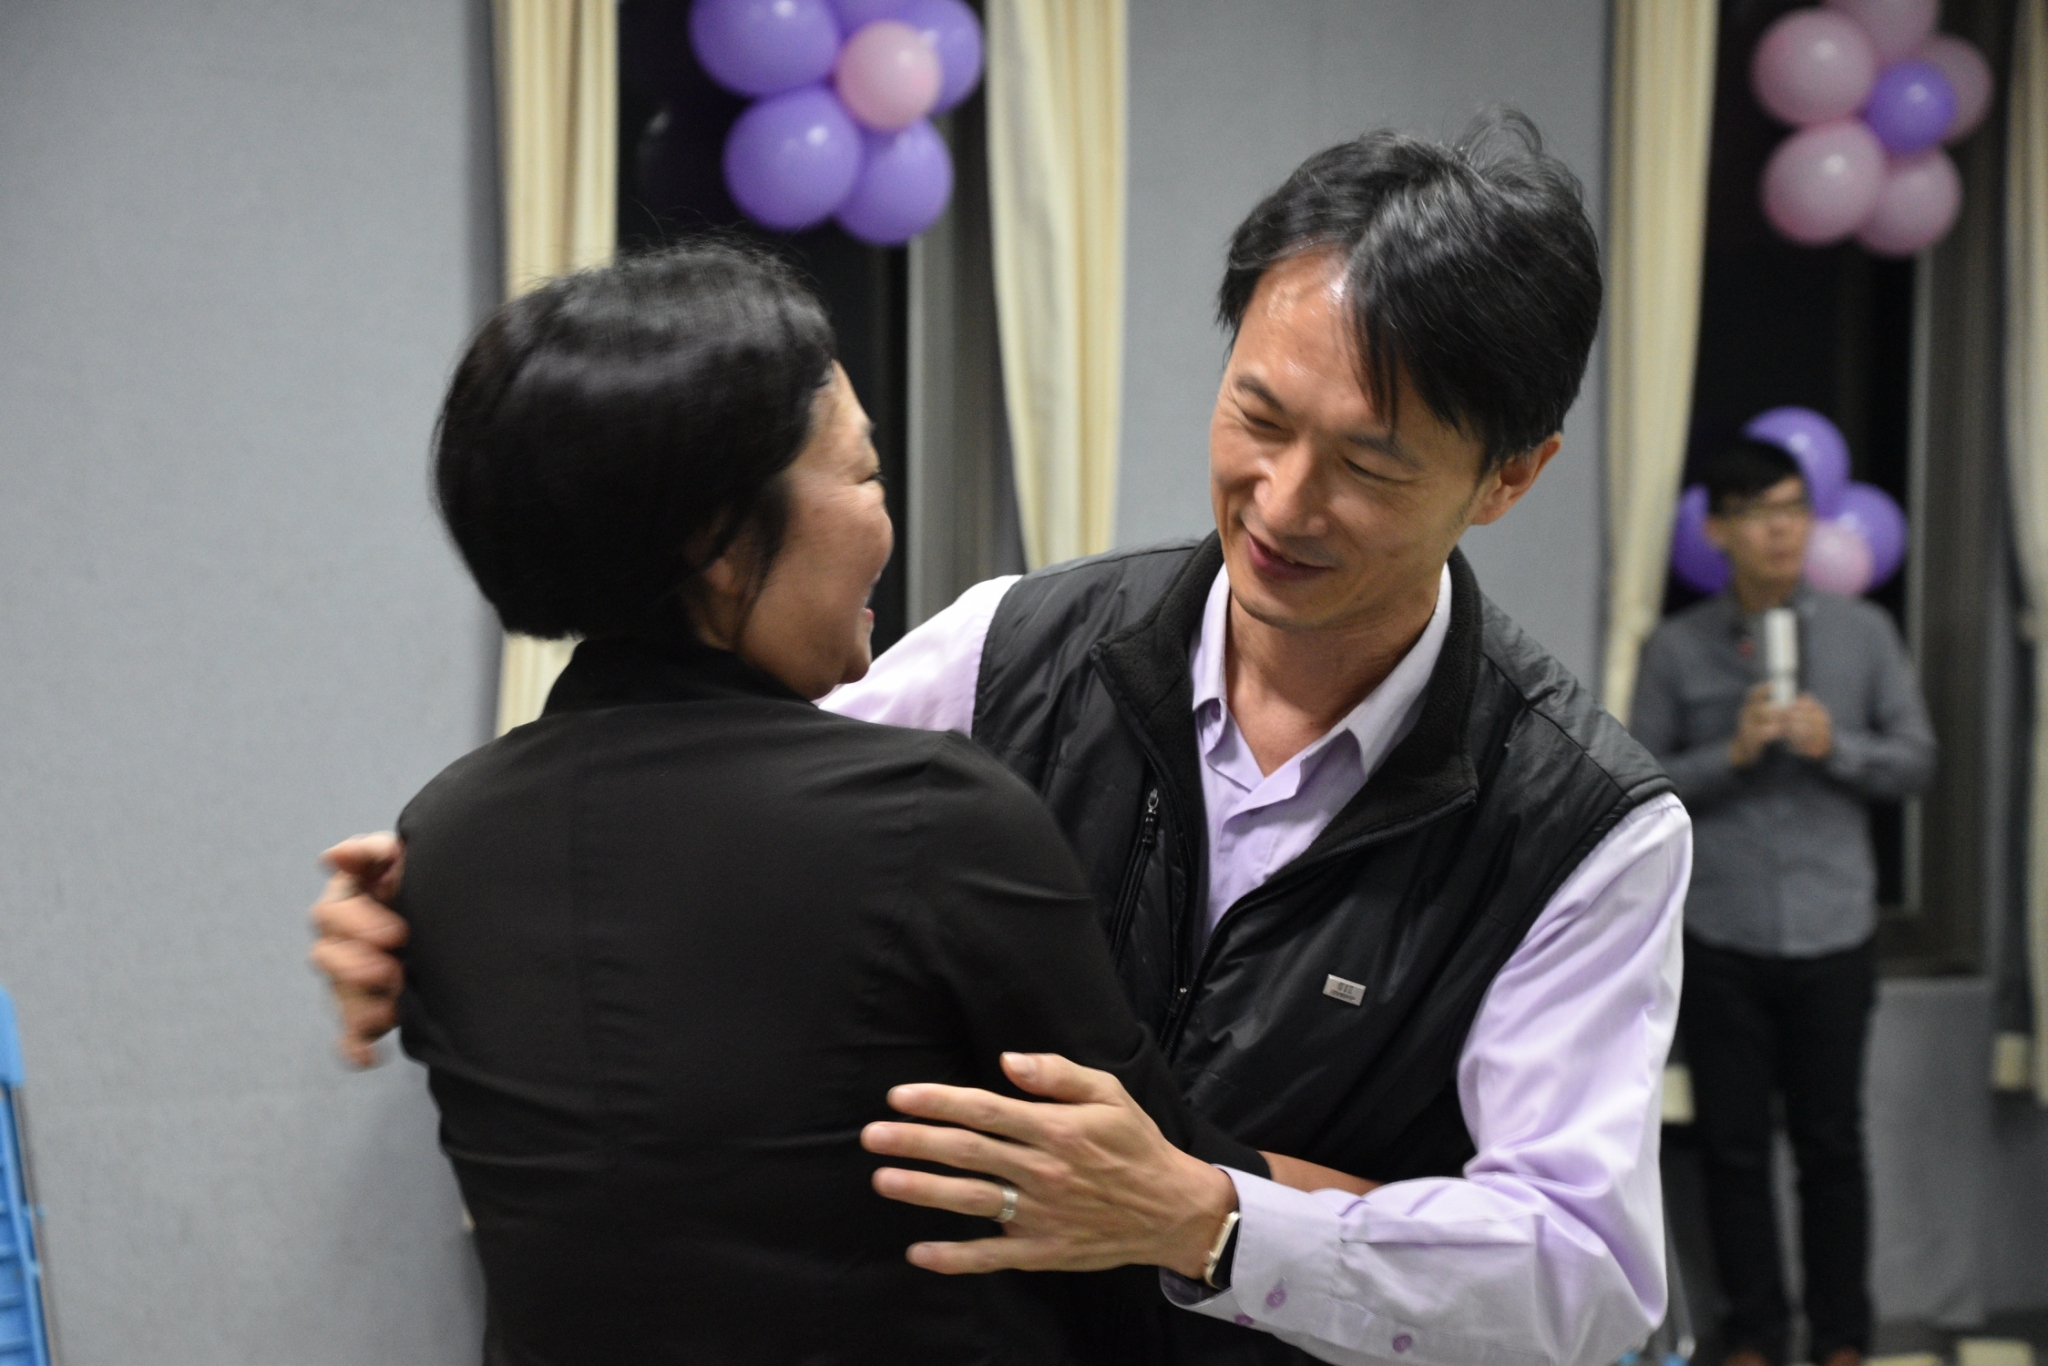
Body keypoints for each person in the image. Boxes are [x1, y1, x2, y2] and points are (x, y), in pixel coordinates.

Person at [315, 114, 1693, 1366]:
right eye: (1257, 416)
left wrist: (1209, 1218)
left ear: (1509, 476)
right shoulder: (1014, 649)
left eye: (1370, 464)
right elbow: (708, 809)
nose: (1281, 501)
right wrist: (419, 892)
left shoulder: (1580, 824)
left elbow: (1583, 1273)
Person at [378, 241, 1361, 1365]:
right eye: (862, 474)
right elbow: (1149, 1187)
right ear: (715, 542)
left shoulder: (442, 840)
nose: (883, 523)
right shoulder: (931, 821)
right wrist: (1443, 1233)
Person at [1631, 438, 1934, 1366]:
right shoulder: (1677, 647)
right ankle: (1754, 1336)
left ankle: (1842, 1338)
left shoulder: (1864, 633)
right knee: (1732, 1152)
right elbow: (1639, 785)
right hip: (1722, 934)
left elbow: (1917, 761)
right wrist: (1727, 756)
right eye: (1761, 513)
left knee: (1832, 1147)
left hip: (1835, 930)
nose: (1783, 531)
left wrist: (1838, 747)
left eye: (1796, 510)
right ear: (1720, 529)